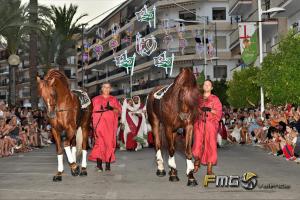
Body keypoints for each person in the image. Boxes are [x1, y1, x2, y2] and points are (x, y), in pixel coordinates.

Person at [88, 82, 121, 172]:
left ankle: (107, 165)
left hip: (110, 126)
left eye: (108, 87)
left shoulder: (114, 99)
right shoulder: (95, 99)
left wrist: (111, 108)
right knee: (99, 144)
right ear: (101, 89)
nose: (106, 89)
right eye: (105, 87)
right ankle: (99, 166)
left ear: (110, 89)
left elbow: (119, 111)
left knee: (109, 144)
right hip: (99, 126)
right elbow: (90, 112)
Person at [193, 80, 222, 175]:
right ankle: (197, 162)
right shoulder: (198, 99)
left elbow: (219, 113)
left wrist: (210, 110)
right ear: (203, 86)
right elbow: (194, 111)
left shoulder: (215, 99)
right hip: (199, 124)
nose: (206, 86)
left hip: (210, 124)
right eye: (205, 84)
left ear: (211, 87)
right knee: (197, 144)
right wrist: (198, 110)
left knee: (211, 145)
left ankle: (209, 169)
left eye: (208, 85)